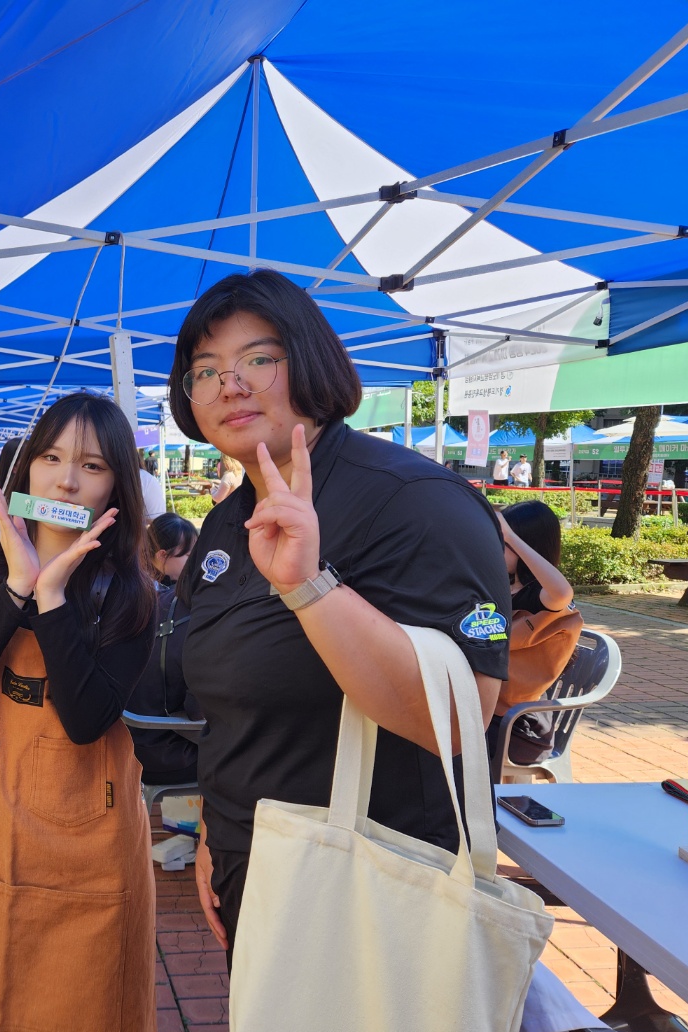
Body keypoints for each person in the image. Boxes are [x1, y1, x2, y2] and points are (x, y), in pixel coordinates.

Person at [166, 270, 509, 961]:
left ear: (311, 362)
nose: (230, 385)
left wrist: (309, 588)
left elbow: (459, 716)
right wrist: (213, 833)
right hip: (251, 867)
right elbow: (231, 712)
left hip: (375, 886)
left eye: (259, 359)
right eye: (205, 371)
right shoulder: (228, 520)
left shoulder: (415, 501)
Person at [0, 392, 157, 1032]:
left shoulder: (128, 595)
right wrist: (16, 590)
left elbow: (85, 721)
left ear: (117, 486)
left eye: (92, 465)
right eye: (51, 457)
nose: (67, 480)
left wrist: (51, 597)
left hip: (91, 860)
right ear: (25, 468)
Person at [487, 501, 582, 768]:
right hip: (486, 710)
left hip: (517, 727)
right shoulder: (503, 586)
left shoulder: (543, 597)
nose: (495, 547)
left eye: (502, 543)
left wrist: (511, 537)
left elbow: (562, 594)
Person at [126, 512, 203, 784]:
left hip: (128, 742)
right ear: (162, 555)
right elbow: (198, 710)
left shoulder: (136, 598)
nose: (196, 562)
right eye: (190, 554)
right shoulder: (186, 612)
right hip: (165, 751)